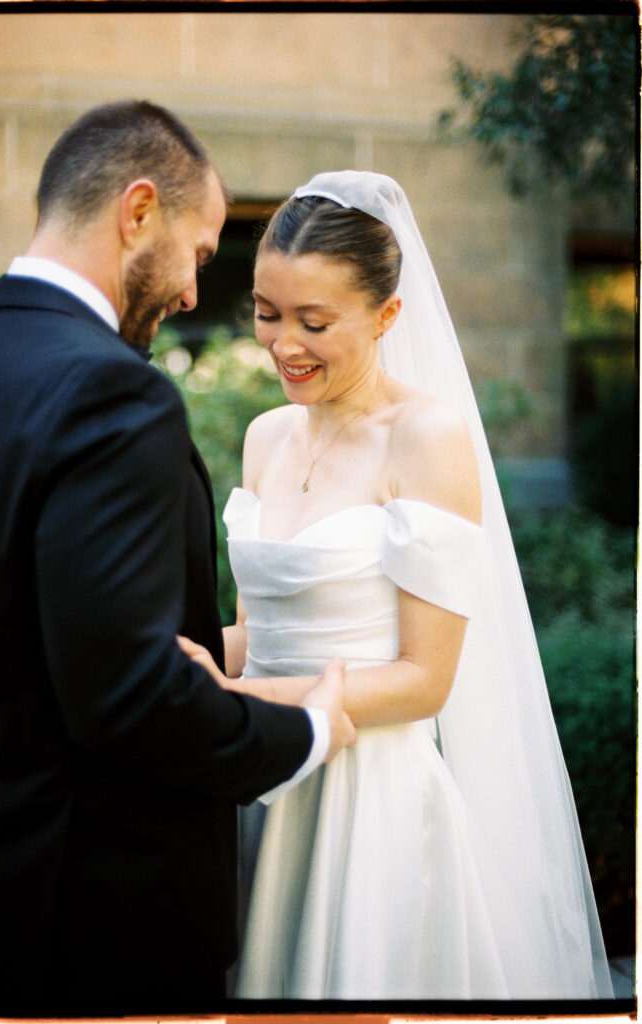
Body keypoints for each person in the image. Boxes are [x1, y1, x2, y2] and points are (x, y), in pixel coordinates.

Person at [179, 171, 614, 1000]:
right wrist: (178, 660)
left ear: (387, 317)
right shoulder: (266, 435)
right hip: (261, 781)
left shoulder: (426, 437)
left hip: (366, 804)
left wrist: (241, 703)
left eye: (315, 321)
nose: (283, 345)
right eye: (267, 314)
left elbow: (425, 679)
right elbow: (257, 632)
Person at [0, 102, 356, 1018]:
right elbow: (129, 698)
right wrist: (305, 734)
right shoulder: (110, 392)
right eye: (200, 252)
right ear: (138, 213)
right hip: (102, 921)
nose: (192, 292)